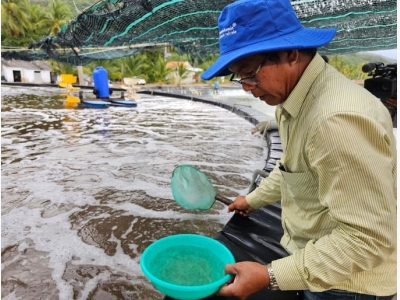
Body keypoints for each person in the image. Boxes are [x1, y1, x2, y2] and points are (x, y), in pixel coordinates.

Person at [201, 0, 397, 299]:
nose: (246, 86)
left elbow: (367, 239)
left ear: (291, 54)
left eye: (250, 71)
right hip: (317, 260)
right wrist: (252, 200)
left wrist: (269, 275)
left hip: (346, 284)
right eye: (237, 74)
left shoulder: (335, 121)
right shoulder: (291, 102)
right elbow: (291, 168)